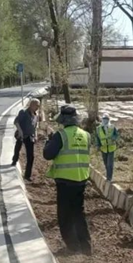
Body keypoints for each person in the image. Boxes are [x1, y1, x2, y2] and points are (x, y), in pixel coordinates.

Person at [43, 105, 92, 255]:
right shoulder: (86, 135)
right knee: (78, 212)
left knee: (65, 214)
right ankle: (86, 245)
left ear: (63, 120)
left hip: (65, 181)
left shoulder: (60, 135)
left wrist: (48, 142)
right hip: (81, 179)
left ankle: (73, 246)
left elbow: (48, 154)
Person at [12, 98, 40, 181]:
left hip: (30, 136)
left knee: (31, 156)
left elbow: (35, 127)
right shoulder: (23, 112)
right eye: (36, 105)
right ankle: (14, 160)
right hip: (21, 134)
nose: (37, 107)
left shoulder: (36, 115)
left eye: (38, 106)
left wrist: (35, 136)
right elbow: (16, 122)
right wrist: (20, 131)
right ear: (31, 105)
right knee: (18, 147)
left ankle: (27, 175)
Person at [94, 113, 119, 182]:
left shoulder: (112, 127)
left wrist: (114, 138)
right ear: (102, 120)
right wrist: (98, 146)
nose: (105, 120)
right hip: (103, 149)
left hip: (111, 148)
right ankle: (108, 176)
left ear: (109, 120)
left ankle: (109, 178)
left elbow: (116, 135)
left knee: (109, 164)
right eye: (104, 119)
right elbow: (97, 138)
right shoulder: (98, 128)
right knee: (106, 163)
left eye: (107, 119)